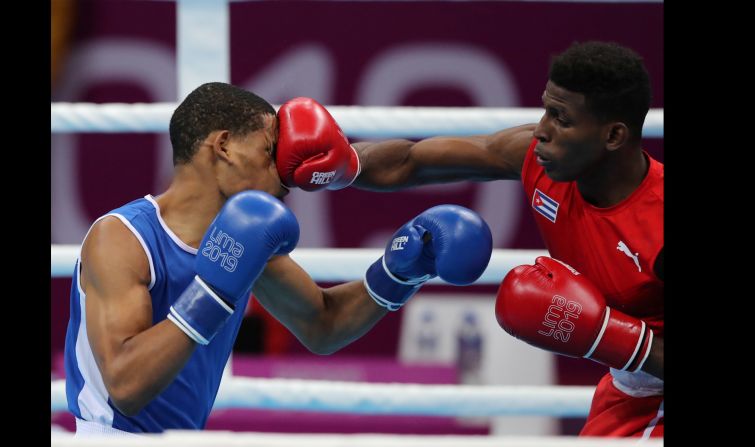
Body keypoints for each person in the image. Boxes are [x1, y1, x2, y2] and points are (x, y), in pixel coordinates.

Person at [275, 41, 663, 438]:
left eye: (562, 119)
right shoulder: (536, 158)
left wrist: (608, 336)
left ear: (614, 135)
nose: (542, 131)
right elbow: (414, 162)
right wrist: (346, 166)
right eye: (546, 109)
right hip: (629, 392)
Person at [63, 82, 493, 436]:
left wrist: (398, 272)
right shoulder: (121, 237)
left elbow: (323, 324)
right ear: (225, 146)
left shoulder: (246, 242)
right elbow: (126, 384)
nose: (289, 174)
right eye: (272, 151)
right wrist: (213, 291)